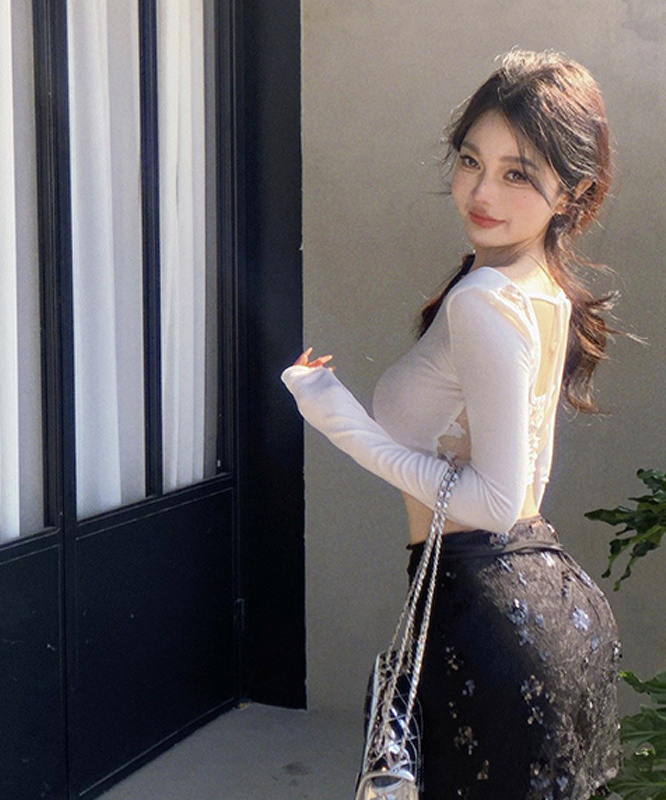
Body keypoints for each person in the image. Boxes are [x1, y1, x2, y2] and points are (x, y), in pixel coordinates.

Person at [282, 50, 621, 800]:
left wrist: (338, 419)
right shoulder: (539, 288)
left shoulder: (484, 299)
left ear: (573, 192)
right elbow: (525, 483)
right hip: (534, 602)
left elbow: (496, 502)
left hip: (486, 616)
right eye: (471, 160)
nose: (481, 190)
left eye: (517, 173)